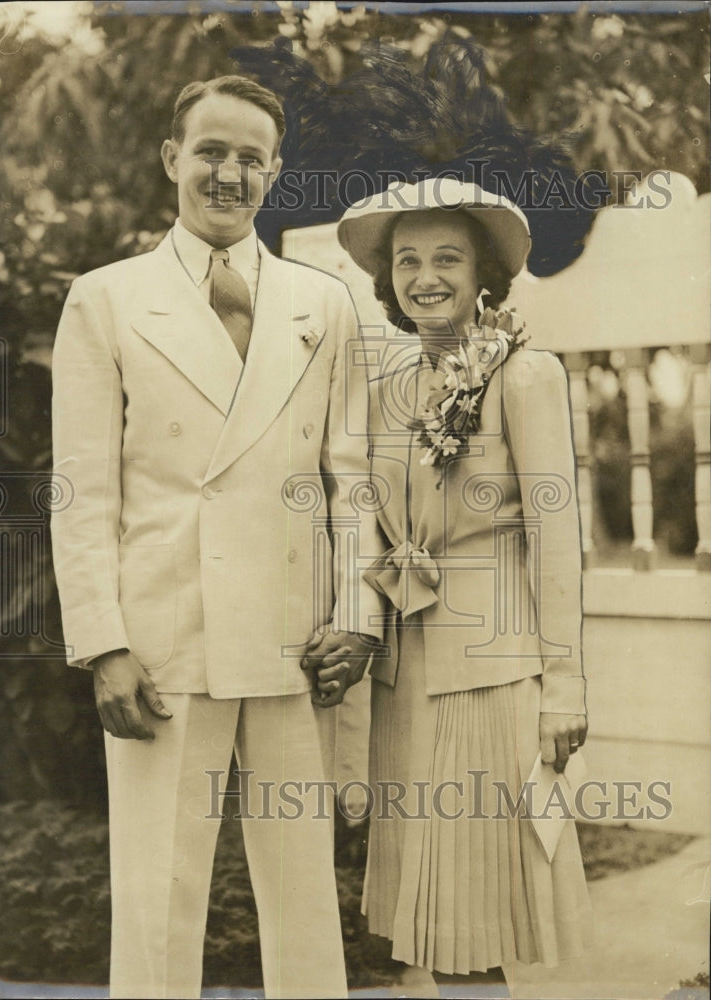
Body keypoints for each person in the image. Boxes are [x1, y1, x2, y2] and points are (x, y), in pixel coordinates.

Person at [50, 75, 384, 1000]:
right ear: (172, 160)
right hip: (162, 639)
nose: (228, 175)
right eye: (210, 152)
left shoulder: (325, 303)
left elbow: (351, 480)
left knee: (305, 901)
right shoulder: (107, 299)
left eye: (249, 158)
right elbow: (79, 490)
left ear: (275, 173)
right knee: (159, 896)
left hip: (297, 639)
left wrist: (356, 616)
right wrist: (104, 643)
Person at [316, 178, 592, 996]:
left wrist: (563, 685)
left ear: (483, 277)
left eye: (446, 258)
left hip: (492, 672)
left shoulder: (526, 373)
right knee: (413, 927)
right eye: (406, 260)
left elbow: (556, 535)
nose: (424, 276)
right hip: (403, 671)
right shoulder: (385, 385)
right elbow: (357, 514)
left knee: (476, 921)